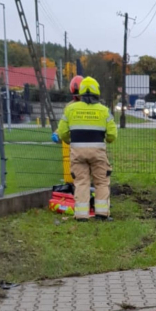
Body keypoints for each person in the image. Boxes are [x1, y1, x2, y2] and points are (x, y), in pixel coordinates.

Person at [57, 77, 117, 221]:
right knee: (101, 182)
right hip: (97, 152)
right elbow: (112, 135)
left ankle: (81, 216)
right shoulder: (104, 110)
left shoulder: (70, 109)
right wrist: (105, 139)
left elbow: (62, 133)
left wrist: (70, 141)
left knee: (81, 182)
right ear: (97, 91)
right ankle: (102, 215)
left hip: (77, 152)